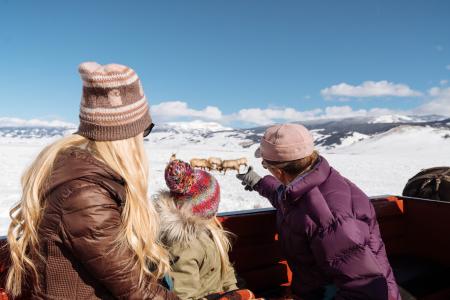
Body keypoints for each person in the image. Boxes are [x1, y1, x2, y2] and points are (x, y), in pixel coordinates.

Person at [6, 62, 178, 299]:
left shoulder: (79, 173)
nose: (143, 138)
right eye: (144, 129)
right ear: (125, 134)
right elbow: (138, 292)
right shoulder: (85, 195)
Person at [236, 123, 400, 300]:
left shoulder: (330, 219)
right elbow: (289, 199)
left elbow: (366, 293)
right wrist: (258, 182)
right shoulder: (317, 181)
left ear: (279, 171)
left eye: (265, 165)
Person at [155, 159, 257, 300]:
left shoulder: (210, 230)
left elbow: (225, 271)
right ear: (206, 210)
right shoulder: (183, 246)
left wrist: (234, 292)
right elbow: (184, 296)